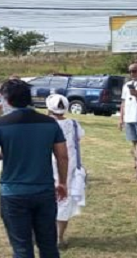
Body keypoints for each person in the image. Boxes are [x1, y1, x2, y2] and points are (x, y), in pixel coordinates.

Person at [0, 78, 68, 258]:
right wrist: (63, 183)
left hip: (13, 192)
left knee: (22, 248)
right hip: (44, 190)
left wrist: (3, 154)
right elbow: (62, 156)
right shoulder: (50, 123)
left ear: (7, 100)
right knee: (48, 246)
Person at [45, 94, 85, 250]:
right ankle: (59, 237)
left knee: (46, 198)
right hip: (69, 165)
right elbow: (79, 139)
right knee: (64, 198)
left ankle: (45, 235)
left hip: (48, 163)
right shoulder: (74, 124)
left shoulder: (46, 124)